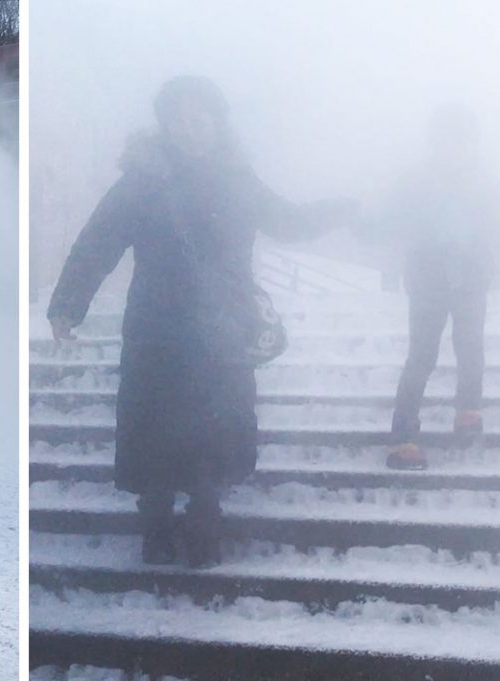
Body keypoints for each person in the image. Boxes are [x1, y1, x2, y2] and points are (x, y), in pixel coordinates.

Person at [47, 76, 354, 568]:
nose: (190, 128)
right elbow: (97, 243)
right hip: (157, 327)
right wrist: (66, 305)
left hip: (222, 329)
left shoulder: (238, 178)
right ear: (165, 126)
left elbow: (287, 221)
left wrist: (341, 208)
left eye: (199, 117)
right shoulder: (143, 179)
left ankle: (205, 517)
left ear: (216, 123)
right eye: (178, 119)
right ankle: (157, 522)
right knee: (155, 424)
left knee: (218, 425)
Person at [385, 105, 500, 470]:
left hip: (471, 279)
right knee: (421, 357)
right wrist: (382, 254)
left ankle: (468, 413)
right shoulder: (416, 181)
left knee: (471, 348)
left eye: (460, 140)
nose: (452, 148)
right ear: (434, 143)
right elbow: (391, 223)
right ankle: (402, 437)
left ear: (472, 144)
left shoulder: (486, 184)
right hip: (428, 280)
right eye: (445, 139)